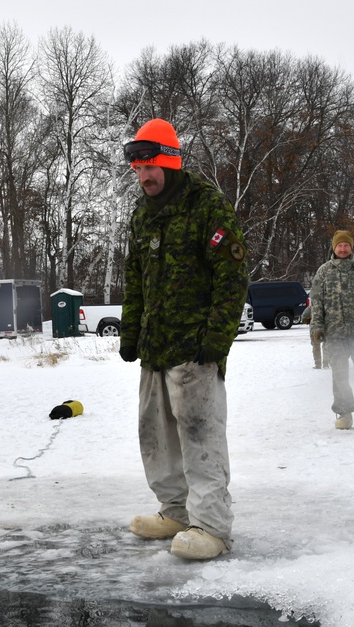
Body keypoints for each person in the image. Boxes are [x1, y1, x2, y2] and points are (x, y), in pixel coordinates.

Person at [119, 118, 248, 561]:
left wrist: (215, 341)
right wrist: (130, 331)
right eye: (138, 169)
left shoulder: (206, 207)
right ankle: (174, 510)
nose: (144, 176)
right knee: (154, 434)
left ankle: (211, 526)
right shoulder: (141, 214)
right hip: (155, 350)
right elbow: (134, 278)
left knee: (200, 437)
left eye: (151, 167)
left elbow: (233, 276)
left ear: (170, 163)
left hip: (195, 350)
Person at [309, 230, 354, 429]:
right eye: (339, 245)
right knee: (339, 375)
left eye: (346, 245)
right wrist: (317, 327)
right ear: (334, 247)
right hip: (335, 334)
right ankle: (344, 413)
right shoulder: (324, 271)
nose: (342, 248)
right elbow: (317, 303)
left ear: (351, 247)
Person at [301, 303, 328, 369]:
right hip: (325, 328)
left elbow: (303, 319)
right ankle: (325, 364)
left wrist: (311, 320)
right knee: (326, 346)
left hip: (314, 329)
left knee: (316, 347)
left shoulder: (310, 308)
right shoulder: (326, 307)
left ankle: (318, 365)